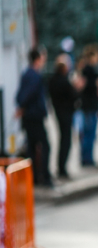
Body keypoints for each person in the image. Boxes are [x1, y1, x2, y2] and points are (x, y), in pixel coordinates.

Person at [15, 47, 52, 187]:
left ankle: (34, 177)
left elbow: (19, 95)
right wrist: (23, 106)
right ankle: (43, 176)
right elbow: (26, 95)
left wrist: (21, 106)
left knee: (31, 146)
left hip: (30, 115)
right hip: (34, 116)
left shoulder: (27, 74)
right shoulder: (35, 76)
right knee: (44, 146)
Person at [48, 54, 79, 180]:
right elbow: (73, 96)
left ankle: (61, 167)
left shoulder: (52, 80)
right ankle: (62, 168)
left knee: (63, 140)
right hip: (66, 114)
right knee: (66, 141)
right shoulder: (64, 81)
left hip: (58, 113)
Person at [78, 44, 98, 167]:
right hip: (89, 106)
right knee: (89, 133)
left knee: (89, 133)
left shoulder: (89, 69)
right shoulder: (88, 70)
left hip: (90, 105)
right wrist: (97, 83)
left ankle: (87, 157)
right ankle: (87, 158)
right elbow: (86, 87)